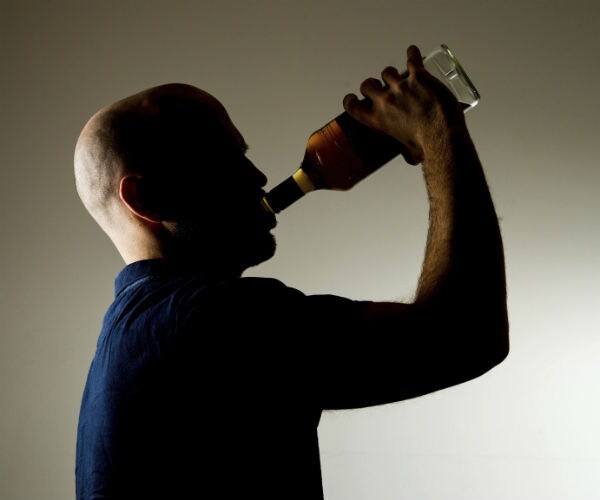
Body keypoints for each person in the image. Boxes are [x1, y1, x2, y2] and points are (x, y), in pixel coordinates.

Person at [74, 45, 509, 500]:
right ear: (146, 199)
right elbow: (466, 336)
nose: (258, 175)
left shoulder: (136, 338)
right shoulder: (205, 319)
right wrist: (440, 128)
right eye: (223, 159)